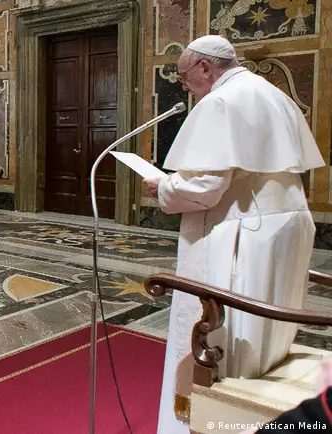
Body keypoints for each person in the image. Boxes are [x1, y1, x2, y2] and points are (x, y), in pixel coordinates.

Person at [140, 35, 326, 434]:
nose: (185, 87)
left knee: (230, 337)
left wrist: (163, 187)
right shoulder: (272, 94)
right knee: (266, 336)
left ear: (206, 68)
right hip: (285, 225)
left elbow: (206, 187)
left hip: (244, 230)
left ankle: (217, 421)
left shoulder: (220, 101)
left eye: (185, 77)